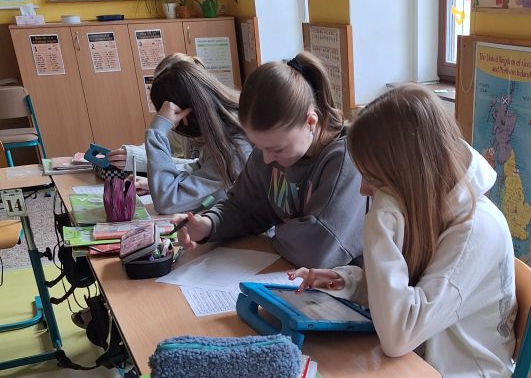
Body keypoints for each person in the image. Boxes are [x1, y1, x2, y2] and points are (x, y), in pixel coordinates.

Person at [288, 84, 517, 378]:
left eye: (372, 177)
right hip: (422, 364)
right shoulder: (431, 207)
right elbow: (413, 291)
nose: (364, 189)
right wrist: (350, 282)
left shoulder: (475, 230)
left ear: (406, 174)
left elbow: (398, 336)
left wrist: (379, 223)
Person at [175, 52, 365, 268]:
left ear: (310, 122)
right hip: (288, 270)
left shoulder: (348, 159)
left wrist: (275, 228)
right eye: (259, 146)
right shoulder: (268, 152)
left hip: (349, 283)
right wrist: (209, 224)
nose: (265, 158)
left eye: (276, 148)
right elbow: (244, 207)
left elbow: (319, 250)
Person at [107, 53, 251, 213]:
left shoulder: (235, 144)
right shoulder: (222, 131)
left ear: (184, 115)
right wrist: (156, 184)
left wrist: (156, 132)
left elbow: (167, 202)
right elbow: (200, 168)